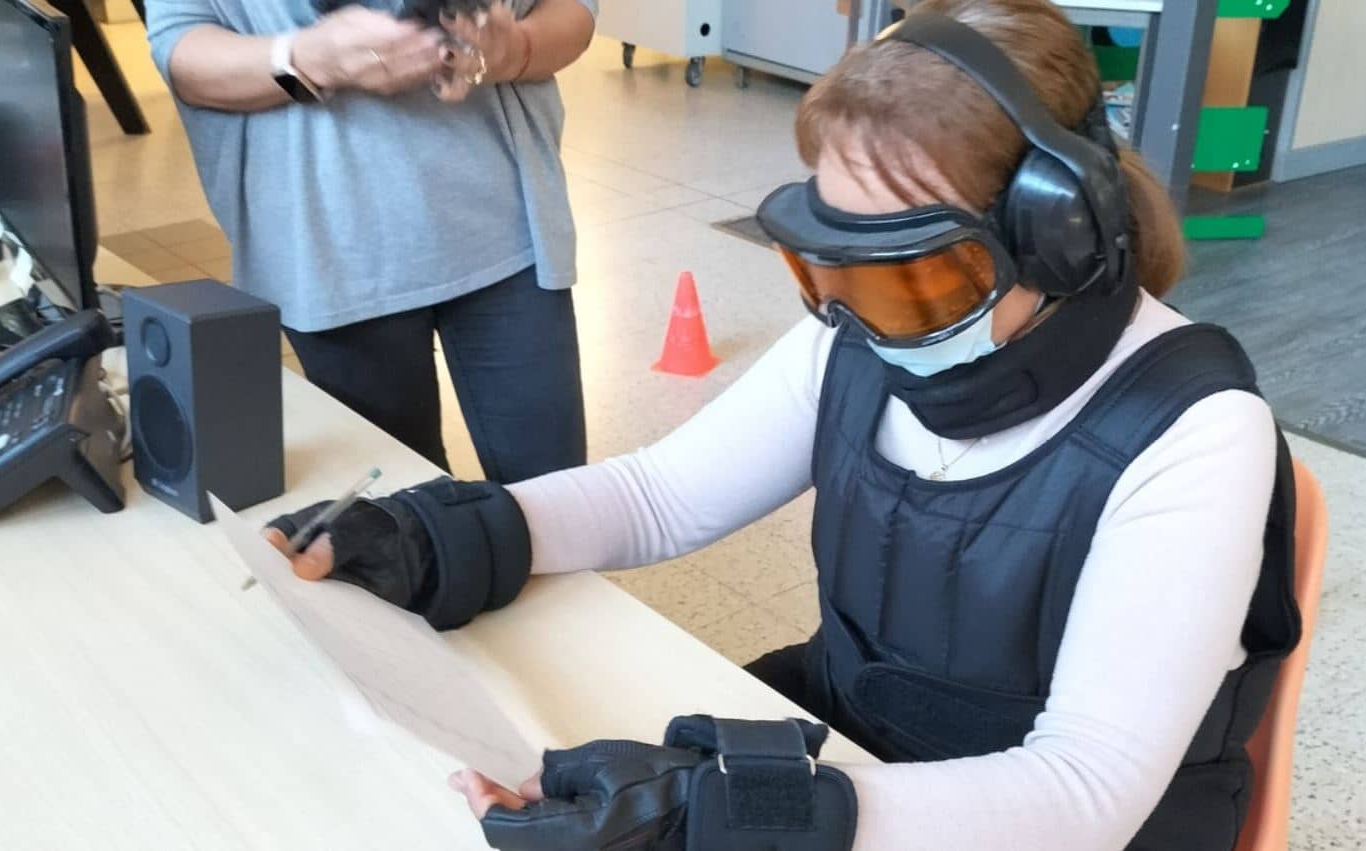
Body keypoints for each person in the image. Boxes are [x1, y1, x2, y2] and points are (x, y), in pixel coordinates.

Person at [262, 1, 1301, 848]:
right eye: (828, 264)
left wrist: (742, 813)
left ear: (1061, 239)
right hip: (858, 754)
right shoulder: (868, 332)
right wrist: (440, 532)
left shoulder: (1195, 428)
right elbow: (658, 495)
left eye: (915, 275)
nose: (853, 317)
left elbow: (1083, 788)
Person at [146, 0, 594, 483]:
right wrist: (306, 59)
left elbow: (571, 10)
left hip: (507, 229)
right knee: (401, 517)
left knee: (558, 495)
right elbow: (182, 49)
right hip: (331, 251)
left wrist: (515, 50)